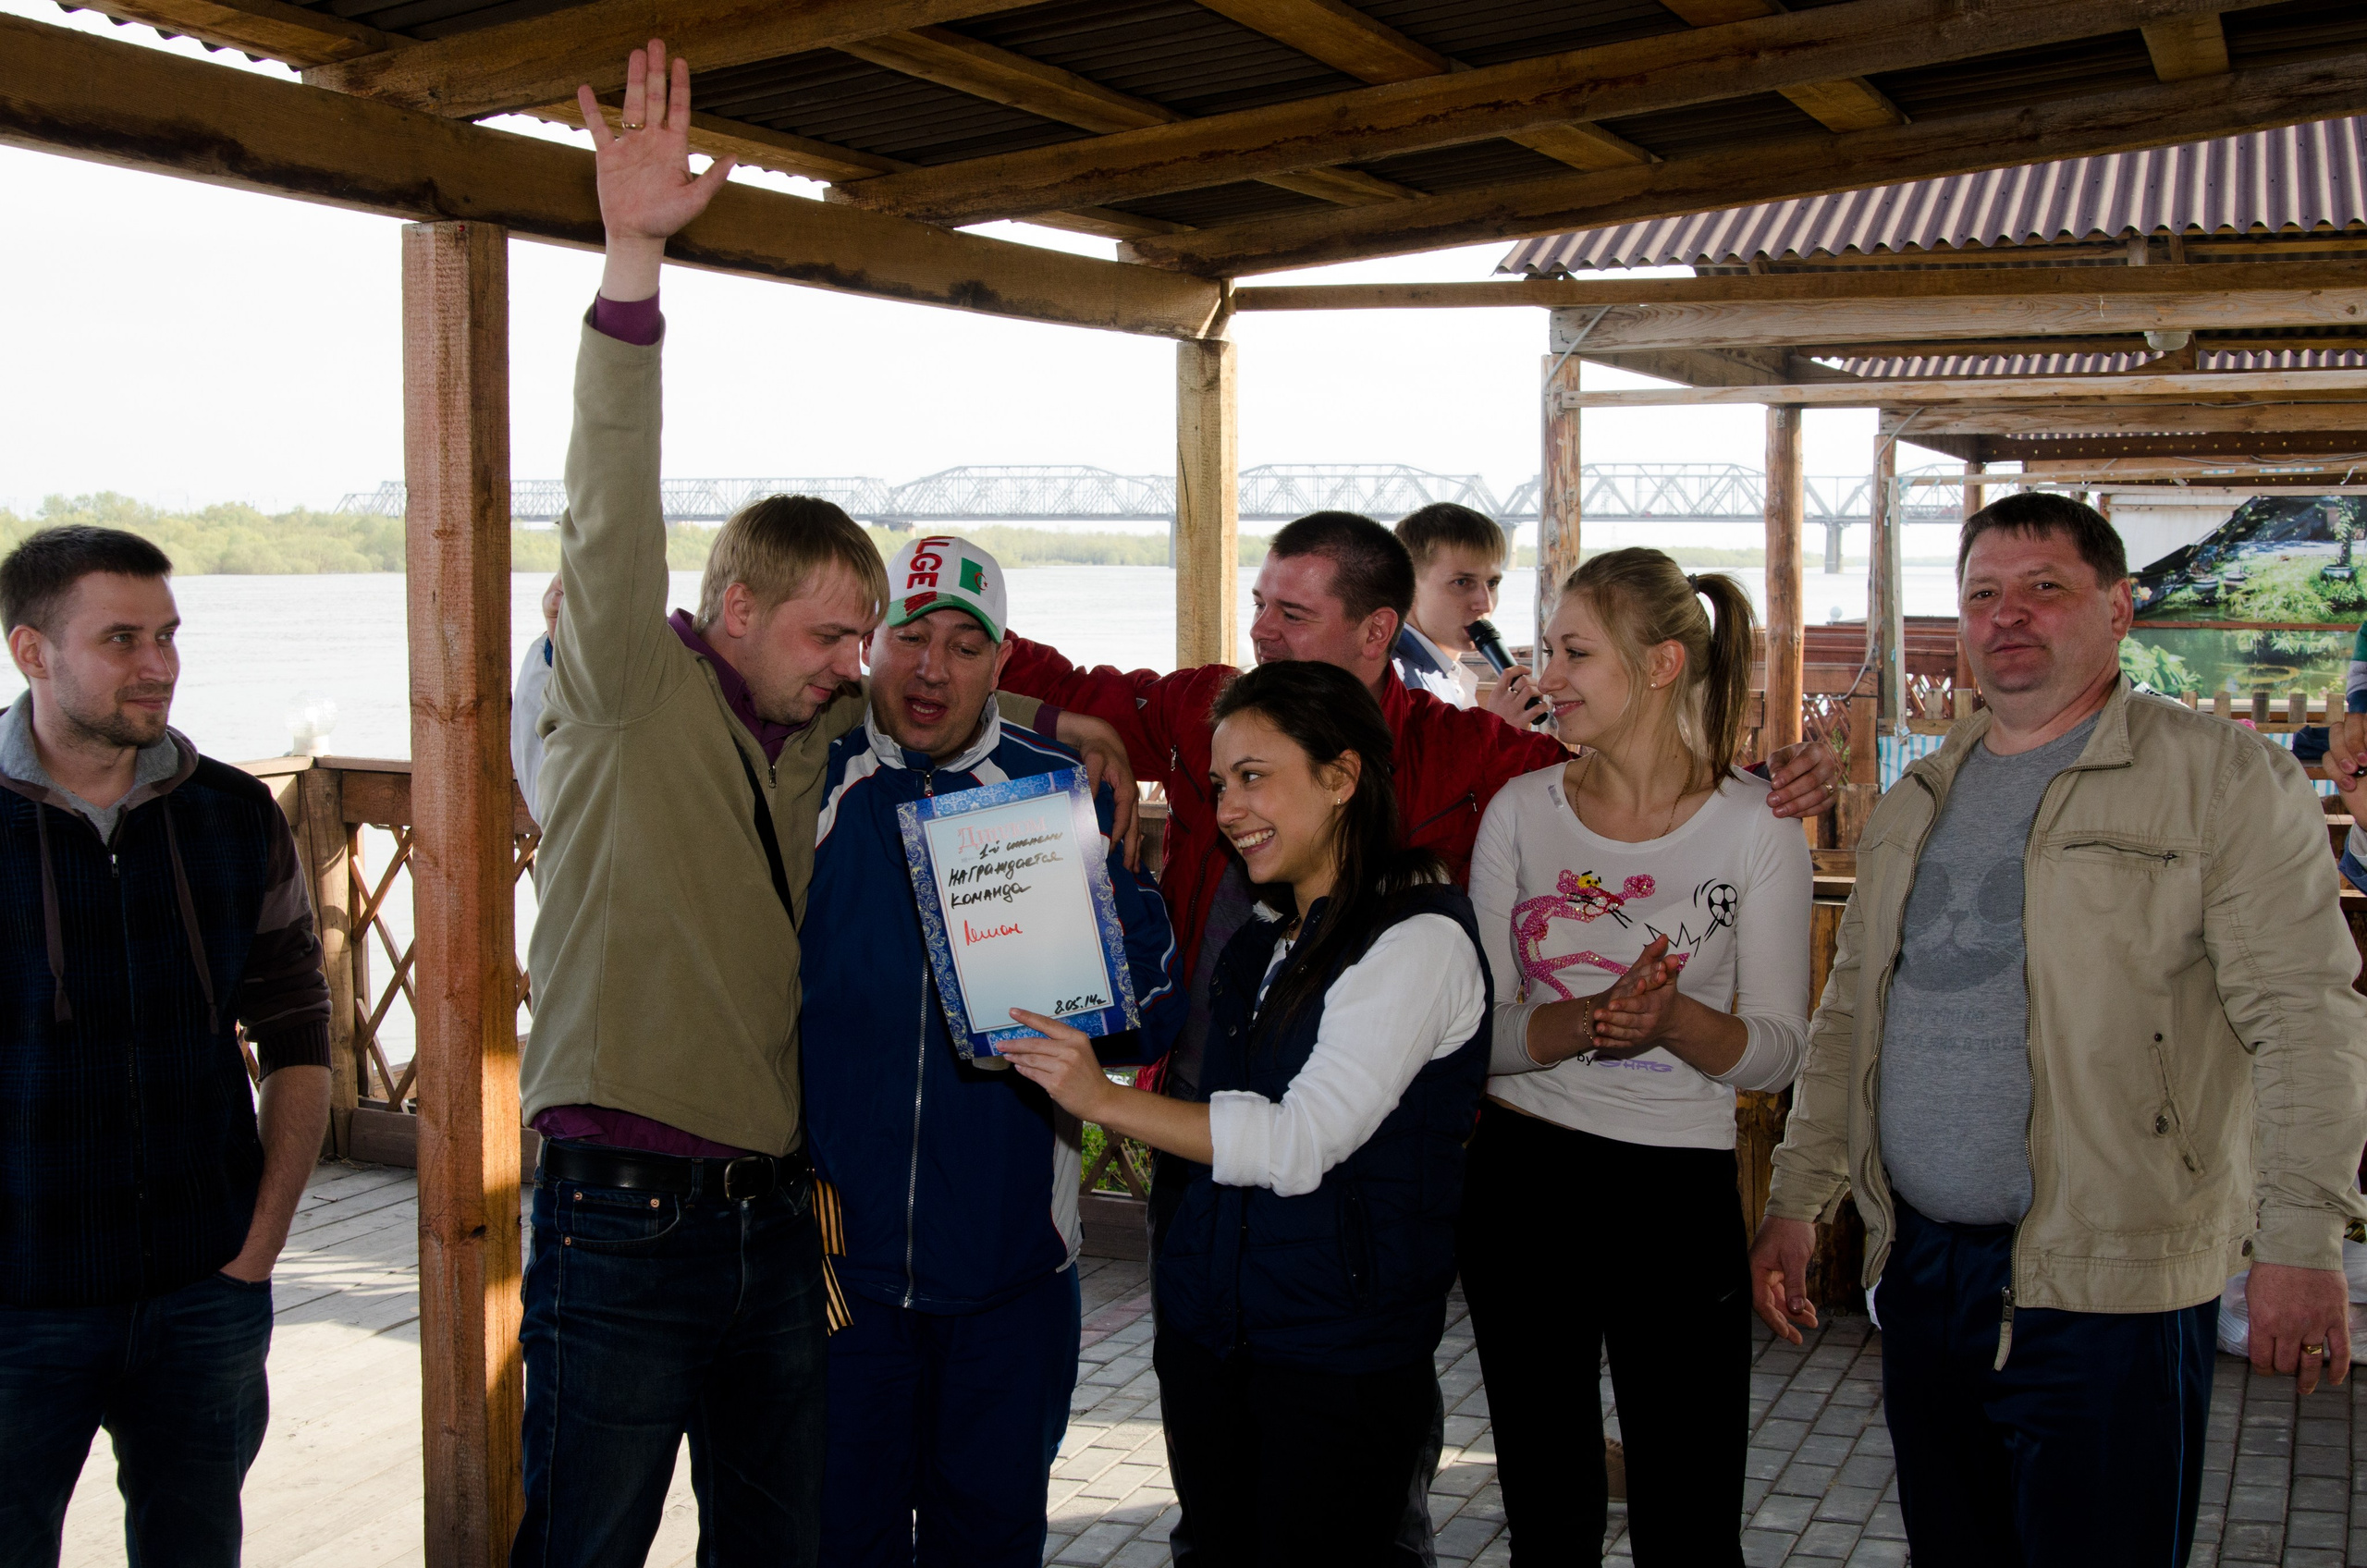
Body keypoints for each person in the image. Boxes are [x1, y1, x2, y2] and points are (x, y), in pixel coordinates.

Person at [516, 46, 1133, 1568]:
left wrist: (1064, 722)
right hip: (618, 1209)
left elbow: (947, 697)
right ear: (730, 607)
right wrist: (634, 260)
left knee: (782, 1549)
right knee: (584, 1542)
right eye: (834, 634)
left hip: (779, 1232)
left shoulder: (821, 741)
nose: (865, 666)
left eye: (879, 637)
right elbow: (608, 491)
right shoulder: (618, 686)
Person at [1753, 493, 2367, 1568]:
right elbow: (1852, 1015)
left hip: (2113, 1283)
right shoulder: (1918, 800)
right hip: (1925, 1271)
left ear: (2118, 609)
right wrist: (1796, 1198)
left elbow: (2305, 1019)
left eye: (2045, 588)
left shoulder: (2221, 780)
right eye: (1983, 593)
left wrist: (2303, 1241)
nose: (2008, 616)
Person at [998, 660, 1492, 1563]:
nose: (1226, 809)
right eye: (1219, 783)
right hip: (1216, 1329)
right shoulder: (1263, 937)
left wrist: (1101, 1101)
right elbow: (1143, 1026)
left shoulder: (1417, 937)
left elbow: (1300, 1139)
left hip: (1337, 1349)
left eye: (1255, 777)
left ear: (1342, 777)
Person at [799, 533, 1186, 1566]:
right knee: (841, 1540)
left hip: (1016, 1272)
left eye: (966, 645)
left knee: (993, 1544)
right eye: (911, 636)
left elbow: (1152, 1021)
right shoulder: (810, 781)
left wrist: (1105, 921)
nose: (934, 668)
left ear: (1004, 662)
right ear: (870, 645)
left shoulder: (1059, 793)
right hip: (842, 1274)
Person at [1461, 548, 1809, 1565]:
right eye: (1546, 649)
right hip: (1521, 1182)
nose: (1548, 675)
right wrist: (1589, 1020)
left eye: (1575, 651)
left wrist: (1667, 1025)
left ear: (1660, 665)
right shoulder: (1520, 810)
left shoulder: (1758, 828)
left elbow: (1776, 1052)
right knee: (1547, 1513)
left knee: (1691, 1517)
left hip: (1675, 1193)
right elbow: (1475, 1032)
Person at [0, 525, 333, 1566]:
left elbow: (299, 1038)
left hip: (205, 1291)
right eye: (121, 639)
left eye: (169, 635)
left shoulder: (234, 815)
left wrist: (260, 1241)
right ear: (31, 651)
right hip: (18, 1308)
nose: (159, 666)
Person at [1389, 502, 1537, 726]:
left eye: (1492, 583)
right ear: (1408, 586)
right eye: (1462, 582)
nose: (1485, 604)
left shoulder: (1440, 673)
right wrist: (1497, 733)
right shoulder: (1397, 683)